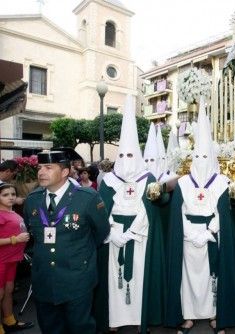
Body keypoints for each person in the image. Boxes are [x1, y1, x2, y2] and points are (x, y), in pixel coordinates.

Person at [165, 97, 235, 334]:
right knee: (189, 277)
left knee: (214, 276)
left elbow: (223, 212)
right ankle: (189, 315)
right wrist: (191, 234)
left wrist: (209, 231)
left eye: (205, 157)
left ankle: (214, 314)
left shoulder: (222, 183)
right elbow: (178, 211)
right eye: (198, 157)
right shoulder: (182, 182)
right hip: (188, 238)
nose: (202, 161)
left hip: (212, 237)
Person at [95, 95, 168, 334]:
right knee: (113, 279)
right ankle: (114, 321)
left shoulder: (147, 179)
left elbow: (151, 209)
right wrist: (114, 233)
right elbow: (100, 209)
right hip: (114, 237)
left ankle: (139, 317)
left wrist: (133, 231)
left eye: (130, 155)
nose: (126, 161)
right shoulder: (108, 180)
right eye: (122, 156)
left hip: (140, 237)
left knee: (139, 277)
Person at [23, 150, 110, 334]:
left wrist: (78, 252)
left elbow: (101, 231)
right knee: (50, 327)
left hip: (77, 277)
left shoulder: (87, 197)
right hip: (44, 278)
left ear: (64, 172)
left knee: (81, 327)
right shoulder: (32, 199)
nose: (41, 172)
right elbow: (32, 234)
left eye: (48, 167)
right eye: (39, 168)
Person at [0, 183, 33, 334]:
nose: (11, 197)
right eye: (5, 195)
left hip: (12, 260)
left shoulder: (13, 213)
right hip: (1, 260)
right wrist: (15, 240)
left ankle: (9, 320)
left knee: (8, 291)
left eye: (13, 194)